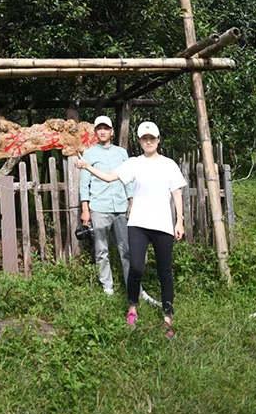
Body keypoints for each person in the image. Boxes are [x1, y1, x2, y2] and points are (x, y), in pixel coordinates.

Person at [77, 120, 186, 338]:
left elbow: (176, 193)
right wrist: (87, 166)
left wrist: (179, 220)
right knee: (136, 267)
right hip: (138, 225)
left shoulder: (169, 164)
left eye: (152, 138)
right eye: (144, 139)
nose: (148, 142)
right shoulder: (134, 163)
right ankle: (132, 309)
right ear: (140, 141)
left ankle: (167, 317)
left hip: (163, 225)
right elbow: (110, 177)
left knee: (165, 272)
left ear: (158, 140)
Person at [79, 115, 132, 296]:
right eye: (99, 128)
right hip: (99, 207)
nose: (102, 131)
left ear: (112, 131)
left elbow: (128, 180)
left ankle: (132, 286)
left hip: (120, 207)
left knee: (126, 249)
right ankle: (107, 287)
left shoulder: (121, 153)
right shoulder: (89, 154)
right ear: (95, 132)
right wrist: (85, 210)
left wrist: (130, 201)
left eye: (106, 128)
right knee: (102, 250)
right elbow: (84, 184)